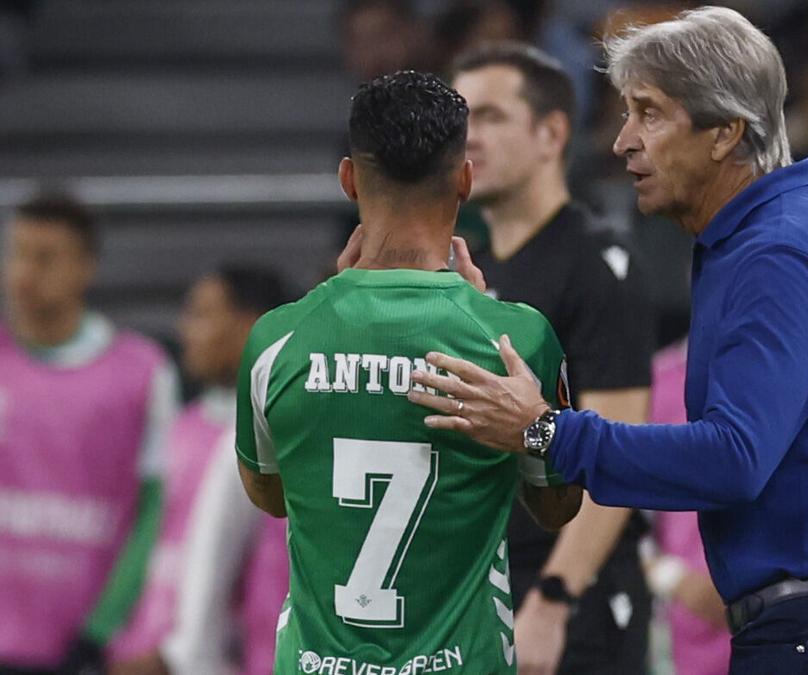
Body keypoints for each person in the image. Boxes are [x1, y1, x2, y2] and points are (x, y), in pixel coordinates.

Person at [401, 7, 808, 673]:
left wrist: (545, 431)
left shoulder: (779, 249)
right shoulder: (789, 232)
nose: (623, 141)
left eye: (649, 113)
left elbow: (734, 458)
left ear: (725, 133)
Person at [234, 71, 582, 675]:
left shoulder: (276, 340)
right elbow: (557, 506)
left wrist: (330, 318)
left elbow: (271, 494)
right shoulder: (518, 341)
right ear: (465, 178)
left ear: (348, 179)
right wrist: (478, 319)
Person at [449, 42, 655, 675]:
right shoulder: (473, 274)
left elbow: (621, 451)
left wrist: (556, 597)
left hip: (572, 605)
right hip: (492, 594)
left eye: (490, 117)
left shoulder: (596, 261)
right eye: (459, 120)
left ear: (552, 133)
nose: (468, 138)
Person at [0, 193, 179, 673]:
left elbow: (156, 512)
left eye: (46, 258)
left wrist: (102, 628)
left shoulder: (143, 372)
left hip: (82, 649)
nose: (24, 273)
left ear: (86, 267)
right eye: (17, 253)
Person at [107, 266, 291, 675]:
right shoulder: (179, 430)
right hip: (144, 653)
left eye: (202, 315)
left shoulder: (273, 444)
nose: (185, 329)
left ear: (251, 326)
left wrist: (180, 656)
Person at [642, 339, 729, 675]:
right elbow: (620, 518)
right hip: (682, 636)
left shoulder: (794, 372)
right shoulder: (657, 380)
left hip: (779, 619)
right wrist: (676, 579)